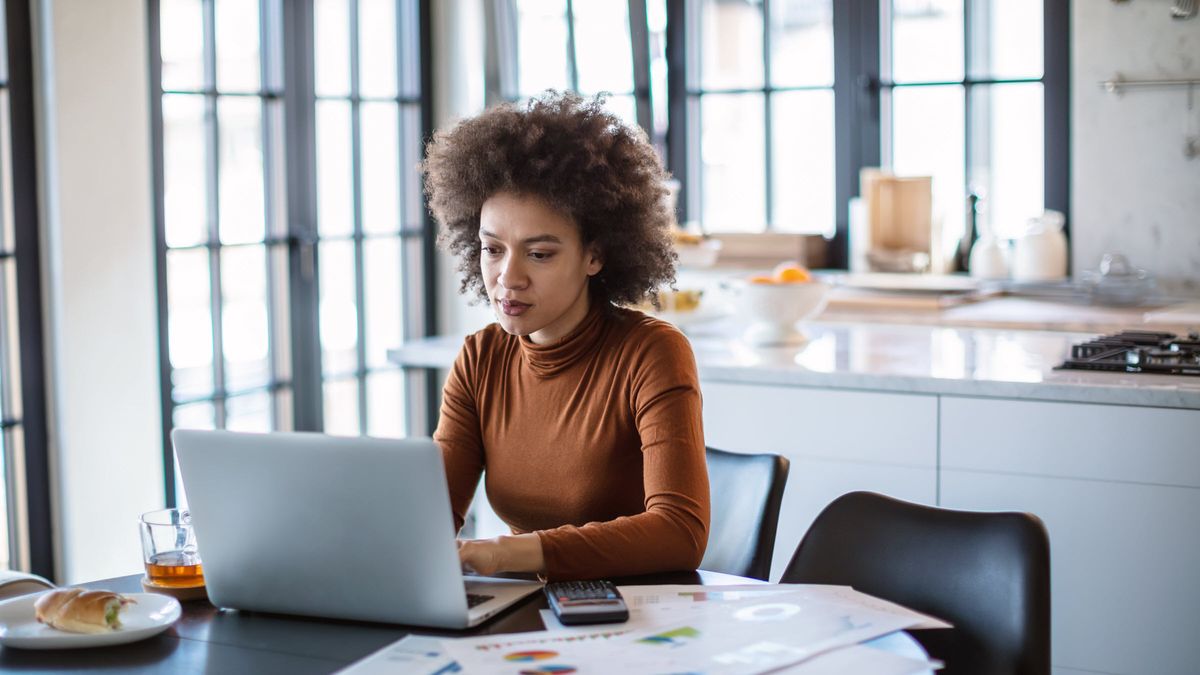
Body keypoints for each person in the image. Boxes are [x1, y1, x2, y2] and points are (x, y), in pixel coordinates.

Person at [422, 92, 709, 581]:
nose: (508, 278)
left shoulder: (651, 353)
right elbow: (426, 520)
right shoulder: (480, 359)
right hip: (530, 612)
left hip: (632, 619)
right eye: (492, 249)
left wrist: (507, 553)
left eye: (539, 254)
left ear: (594, 256)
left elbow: (680, 532)